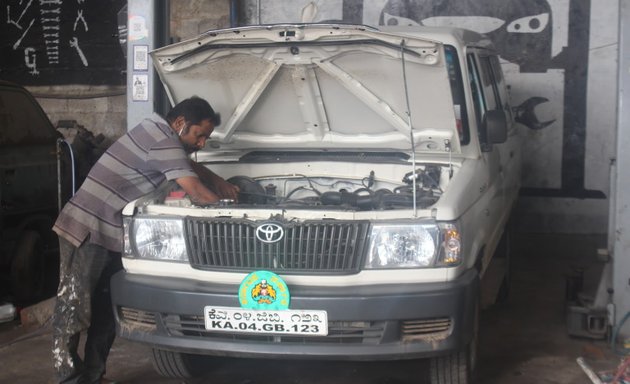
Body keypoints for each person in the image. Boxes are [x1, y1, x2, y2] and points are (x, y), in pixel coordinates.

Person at [51, 96, 239, 384]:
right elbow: (198, 193)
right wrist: (236, 218)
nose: (202, 144)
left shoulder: (157, 131)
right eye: (199, 135)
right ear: (179, 124)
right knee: (73, 309)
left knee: (105, 311)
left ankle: (93, 376)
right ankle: (68, 379)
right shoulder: (163, 141)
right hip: (87, 230)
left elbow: (187, 166)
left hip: (112, 234)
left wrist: (220, 182)